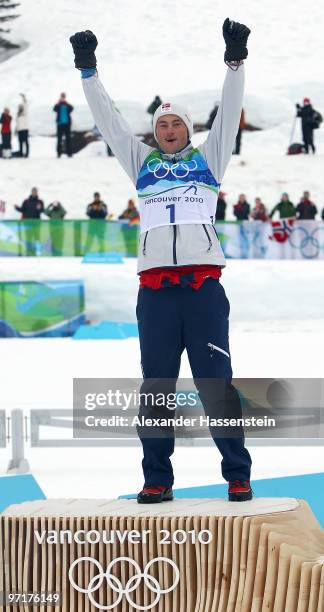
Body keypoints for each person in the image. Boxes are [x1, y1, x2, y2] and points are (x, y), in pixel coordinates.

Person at [70, 18, 253, 504]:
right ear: (154, 133)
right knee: (156, 390)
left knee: (216, 386)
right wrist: (88, 71)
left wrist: (235, 60)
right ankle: (157, 479)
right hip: (154, 295)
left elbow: (231, 108)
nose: (169, 130)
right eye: (162, 125)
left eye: (177, 124)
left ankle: (237, 473)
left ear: (189, 130)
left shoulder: (210, 159)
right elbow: (108, 120)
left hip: (203, 292)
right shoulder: (141, 164)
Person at [15, 187, 44, 255]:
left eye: (35, 191)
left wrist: (39, 208)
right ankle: (29, 251)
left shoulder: (40, 201)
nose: (34, 192)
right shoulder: (26, 201)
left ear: (37, 192)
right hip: (27, 223)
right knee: (28, 237)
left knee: (37, 237)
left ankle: (37, 252)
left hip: (37, 223)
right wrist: (16, 208)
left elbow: (42, 210)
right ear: (31, 192)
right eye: (33, 191)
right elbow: (22, 210)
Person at [53, 92, 74, 157]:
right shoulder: (58, 105)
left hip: (67, 124)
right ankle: (59, 153)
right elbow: (54, 109)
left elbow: (72, 108)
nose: (63, 98)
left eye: (63, 97)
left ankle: (69, 153)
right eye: (62, 97)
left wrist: (66, 103)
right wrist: (58, 103)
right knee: (59, 139)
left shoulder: (67, 105)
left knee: (68, 139)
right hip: (60, 124)